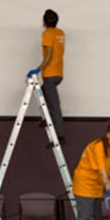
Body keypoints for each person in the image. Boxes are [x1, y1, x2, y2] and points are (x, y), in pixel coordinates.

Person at [28, 9, 67, 145]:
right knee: (44, 93)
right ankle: (48, 119)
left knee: (54, 104)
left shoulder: (47, 34)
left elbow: (49, 55)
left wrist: (38, 69)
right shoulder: (60, 33)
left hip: (50, 74)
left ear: (44, 21)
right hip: (59, 73)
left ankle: (59, 136)